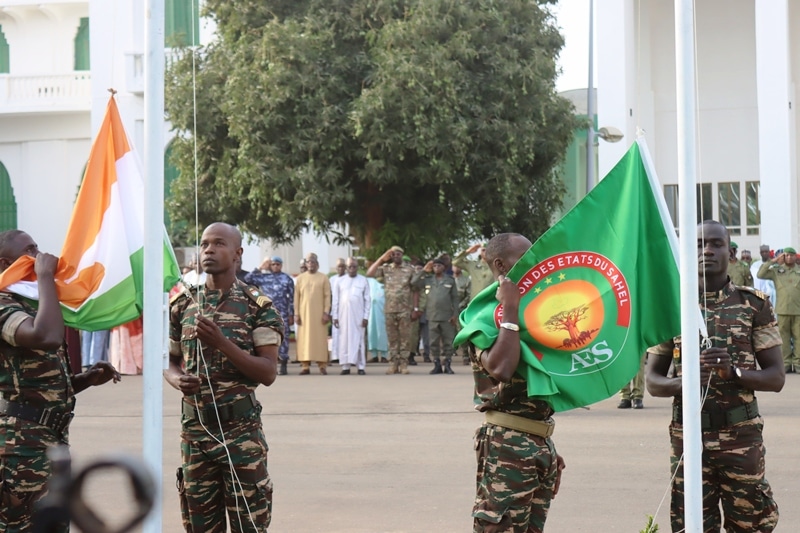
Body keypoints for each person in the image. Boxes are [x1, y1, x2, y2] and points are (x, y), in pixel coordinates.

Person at [646, 220, 784, 533]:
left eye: (716, 244)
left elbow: (776, 378)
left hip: (741, 436)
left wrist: (733, 372)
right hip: (688, 438)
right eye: (698, 244)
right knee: (690, 525)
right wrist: (686, 382)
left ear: (730, 253)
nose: (706, 250)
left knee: (751, 525)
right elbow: (653, 382)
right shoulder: (672, 307)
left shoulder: (753, 305)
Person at [165, 222, 283, 532]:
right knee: (200, 526)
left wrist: (222, 344)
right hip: (195, 433)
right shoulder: (183, 304)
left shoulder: (257, 306)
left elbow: (268, 372)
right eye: (204, 244)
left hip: (240, 433)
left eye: (218, 243)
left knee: (250, 525)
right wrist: (177, 380)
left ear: (237, 253)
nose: (209, 250)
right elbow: (169, 361)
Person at [0, 230, 120, 532]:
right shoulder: (3, 304)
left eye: (37, 247)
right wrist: (44, 278)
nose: (40, 256)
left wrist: (85, 379)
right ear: (5, 263)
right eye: (30, 251)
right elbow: (47, 337)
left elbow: (42, 386)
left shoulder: (34, 303)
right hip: (19, 447)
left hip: (51, 439)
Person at [459, 232, 565, 532]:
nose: (534, 263)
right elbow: (501, 369)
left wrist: (545, 445)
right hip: (506, 444)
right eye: (525, 257)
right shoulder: (481, 317)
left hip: (537, 442)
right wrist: (510, 309)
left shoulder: (533, 310)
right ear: (500, 265)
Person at [366, 245, 417, 374]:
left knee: (405, 338)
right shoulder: (386, 269)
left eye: (398, 254)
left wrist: (415, 308)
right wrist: (382, 259)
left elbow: (416, 289)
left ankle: (404, 364)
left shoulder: (409, 270)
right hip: (389, 309)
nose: (395, 256)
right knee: (392, 338)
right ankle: (393, 364)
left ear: (402, 255)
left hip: (405, 309)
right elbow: (369, 273)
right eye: (393, 254)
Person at [245, 256, 295, 375]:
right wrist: (260, 267)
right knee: (267, 336)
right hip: (267, 312)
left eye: (278, 264)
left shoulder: (287, 279)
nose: (275, 266)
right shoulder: (263, 277)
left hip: (282, 312)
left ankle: (283, 363)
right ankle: (270, 362)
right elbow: (248, 279)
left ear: (281, 265)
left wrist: (291, 314)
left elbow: (292, 299)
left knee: (284, 337)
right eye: (273, 264)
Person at [757, 246, 800, 373]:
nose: (789, 257)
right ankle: (786, 363)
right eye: (786, 255)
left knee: (799, 338)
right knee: (784, 338)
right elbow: (760, 274)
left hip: (798, 311)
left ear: (795, 256)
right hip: (782, 309)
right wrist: (774, 260)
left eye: (791, 255)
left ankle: (798, 363)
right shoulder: (777, 271)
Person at [412, 257, 459, 374]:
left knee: (449, 341)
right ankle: (437, 364)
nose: (436, 267)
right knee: (433, 342)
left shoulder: (450, 280)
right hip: (432, 316)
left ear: (444, 267)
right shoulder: (428, 280)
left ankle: (447, 363)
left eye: (439, 265)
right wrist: (423, 270)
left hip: (447, 316)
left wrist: (455, 315)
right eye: (434, 266)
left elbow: (455, 299)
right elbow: (414, 282)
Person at [294, 253, 332, 375]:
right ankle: (305, 366)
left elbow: (327, 296)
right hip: (304, 315)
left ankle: (322, 365)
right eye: (308, 262)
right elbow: (296, 298)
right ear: (306, 264)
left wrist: (326, 312)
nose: (311, 264)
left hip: (319, 315)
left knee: (320, 339)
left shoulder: (323, 278)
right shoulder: (300, 278)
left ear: (317, 264)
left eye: (313, 262)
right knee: (304, 339)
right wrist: (296, 313)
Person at [331, 258, 370, 375]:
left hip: (358, 316)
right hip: (343, 316)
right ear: (346, 268)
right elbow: (335, 300)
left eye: (354, 267)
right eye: (350, 267)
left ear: (357, 268)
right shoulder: (340, 281)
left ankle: (361, 366)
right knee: (344, 341)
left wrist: (366, 317)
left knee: (359, 341)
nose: (352, 269)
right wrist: (335, 316)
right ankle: (345, 367)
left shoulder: (363, 280)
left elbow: (367, 300)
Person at [366, 277, 389, 363]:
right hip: (371, 311)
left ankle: (384, 356)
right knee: (372, 332)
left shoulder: (387, 279)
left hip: (383, 310)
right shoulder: (370, 280)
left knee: (383, 332)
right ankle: (374, 355)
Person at [329, 258, 347, 365]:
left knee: (345, 334)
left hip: (345, 309)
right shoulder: (332, 279)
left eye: (342, 266)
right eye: (338, 267)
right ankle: (335, 356)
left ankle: (345, 356)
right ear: (336, 268)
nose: (340, 268)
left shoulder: (348, 278)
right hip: (334, 309)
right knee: (335, 334)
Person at [453, 265, 472, 365]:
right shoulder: (449, 279)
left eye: (458, 266)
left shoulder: (466, 280)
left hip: (461, 309)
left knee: (461, 332)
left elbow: (468, 295)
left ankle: (465, 354)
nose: (456, 268)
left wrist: (460, 305)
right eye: (454, 266)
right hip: (448, 310)